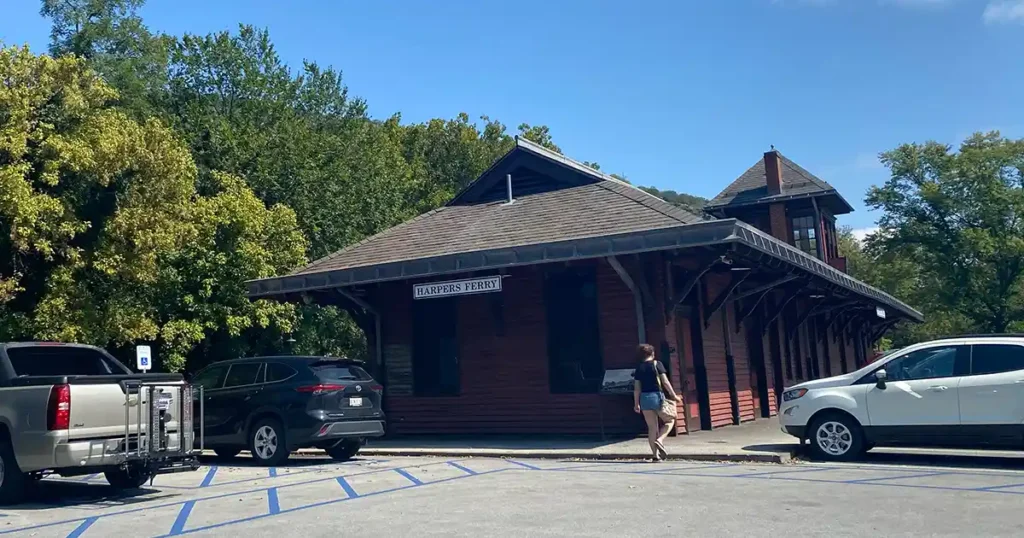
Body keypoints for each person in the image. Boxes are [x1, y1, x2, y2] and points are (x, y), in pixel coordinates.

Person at [632, 344, 682, 461]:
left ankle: (655, 456)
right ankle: (660, 439)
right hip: (657, 396)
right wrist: (674, 396)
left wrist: (636, 404)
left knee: (652, 428)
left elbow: (637, 388)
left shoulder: (639, 368)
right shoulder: (657, 364)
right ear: (652, 353)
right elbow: (665, 382)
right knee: (670, 420)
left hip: (644, 398)